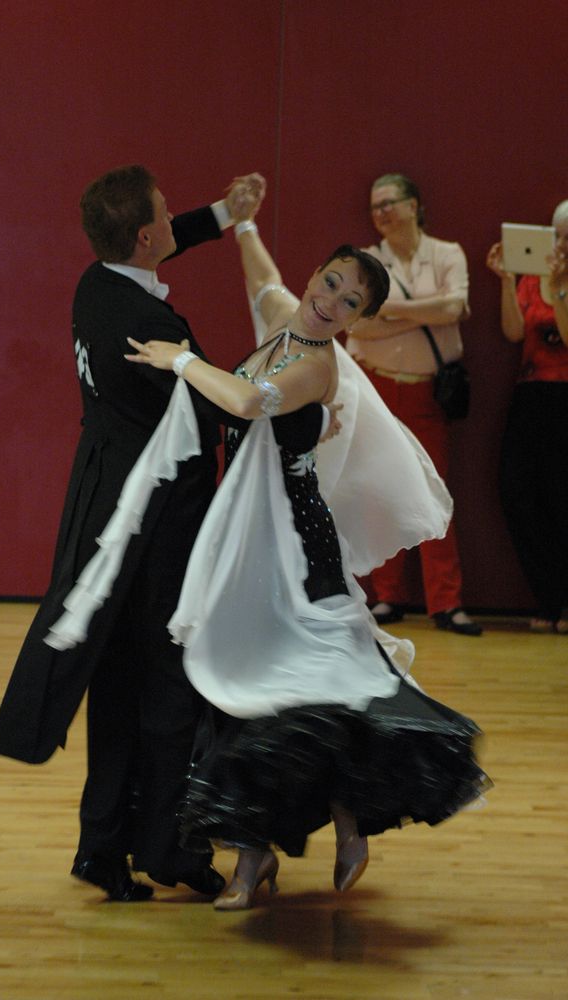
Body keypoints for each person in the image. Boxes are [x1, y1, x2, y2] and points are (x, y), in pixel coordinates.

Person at [123, 209, 491, 911]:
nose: (331, 302)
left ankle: (321, 830)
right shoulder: (285, 321)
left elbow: (243, 400)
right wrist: (245, 223)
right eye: (330, 283)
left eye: (350, 302)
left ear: (359, 320)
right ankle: (267, 852)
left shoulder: (317, 366)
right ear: (316, 276)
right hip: (250, 533)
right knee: (245, 686)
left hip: (295, 539)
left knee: (309, 678)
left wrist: (180, 360)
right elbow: (264, 280)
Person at [0, 166, 328, 902]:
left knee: (116, 682)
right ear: (144, 236)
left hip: (103, 503)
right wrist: (298, 395)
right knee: (172, 683)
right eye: (168, 215)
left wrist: (225, 213)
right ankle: (170, 851)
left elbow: (160, 248)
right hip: (158, 522)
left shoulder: (95, 286)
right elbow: (221, 410)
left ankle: (102, 846)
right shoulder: (154, 329)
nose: (176, 220)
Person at [347, 173, 482, 636]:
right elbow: (356, 327)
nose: (381, 213)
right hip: (376, 388)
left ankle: (446, 602)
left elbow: (455, 308)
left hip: (428, 391)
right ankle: (388, 595)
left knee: (432, 491)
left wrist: (388, 310)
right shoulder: (367, 261)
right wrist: (428, 309)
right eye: (374, 206)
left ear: (414, 205)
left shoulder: (446, 254)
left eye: (388, 202)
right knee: (379, 491)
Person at [486, 200, 568, 633]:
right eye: (559, 236)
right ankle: (549, 596)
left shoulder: (554, 280)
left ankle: (562, 605)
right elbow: (514, 331)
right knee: (516, 490)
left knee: (562, 496)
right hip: (532, 395)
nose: (563, 245)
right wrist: (507, 279)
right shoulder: (534, 277)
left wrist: (560, 289)